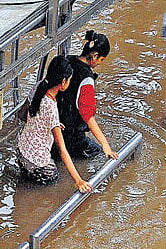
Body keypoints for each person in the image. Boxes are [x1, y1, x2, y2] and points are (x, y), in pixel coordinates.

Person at [17, 56, 93, 193]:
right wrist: (79, 180)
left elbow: (27, 115)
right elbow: (62, 150)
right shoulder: (51, 107)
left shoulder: (38, 87)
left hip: (22, 154)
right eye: (69, 80)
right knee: (55, 187)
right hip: (38, 166)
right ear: (63, 82)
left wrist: (54, 124)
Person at [56, 30, 118, 160]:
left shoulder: (67, 61)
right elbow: (87, 114)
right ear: (94, 55)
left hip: (53, 130)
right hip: (72, 139)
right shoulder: (86, 79)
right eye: (101, 59)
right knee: (100, 156)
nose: (100, 63)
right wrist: (105, 145)